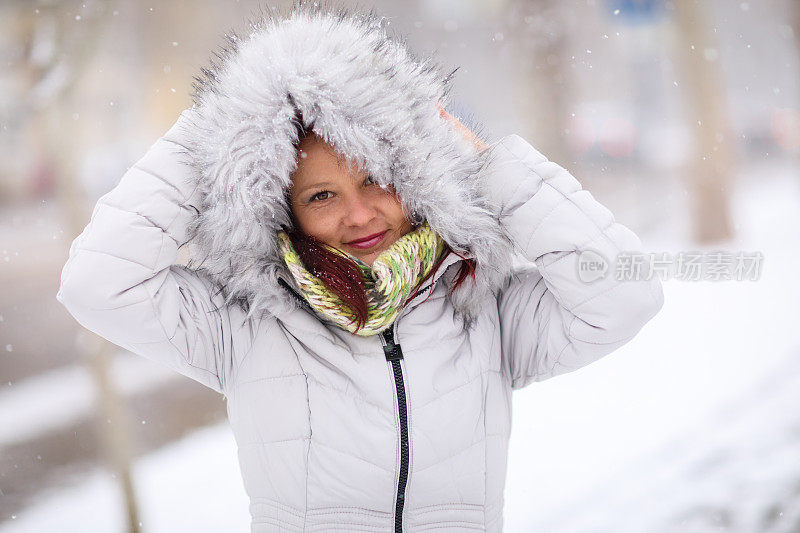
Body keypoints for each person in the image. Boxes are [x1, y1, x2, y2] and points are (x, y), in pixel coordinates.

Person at [56, 2, 664, 531]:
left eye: (378, 178)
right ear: (284, 212)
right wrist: (215, 138)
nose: (360, 213)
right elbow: (97, 284)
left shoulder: (483, 306)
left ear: (417, 174)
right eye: (321, 196)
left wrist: (493, 169)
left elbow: (623, 296)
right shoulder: (243, 326)